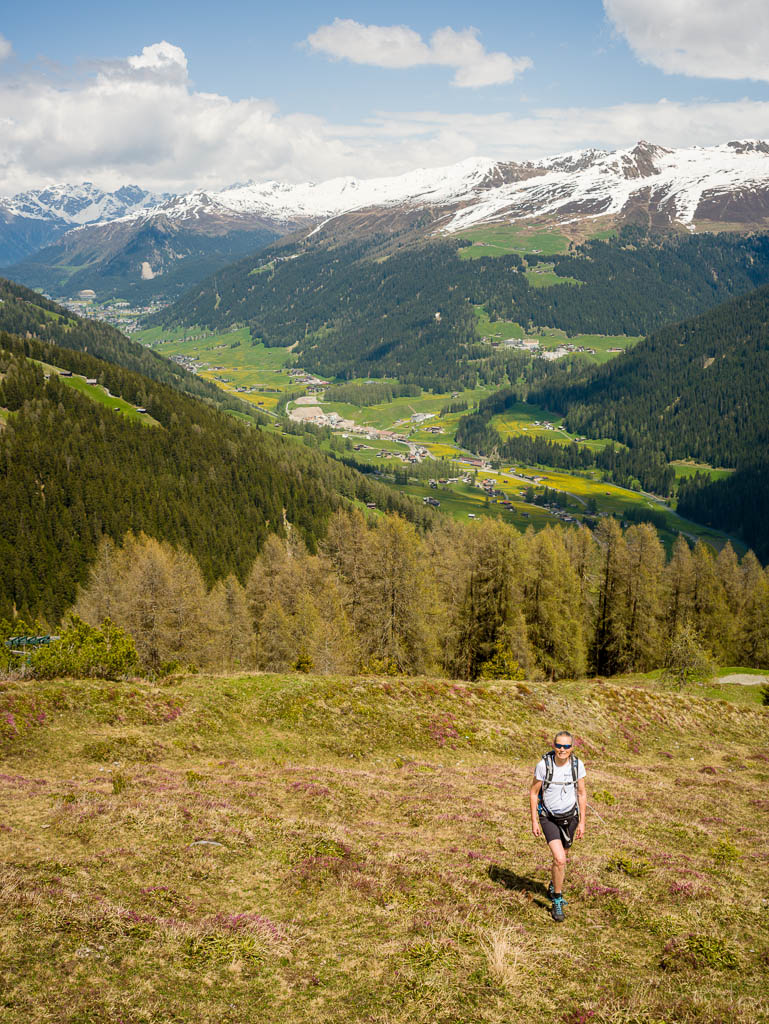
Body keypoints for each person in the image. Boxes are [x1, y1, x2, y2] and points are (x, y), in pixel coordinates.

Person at [529, 731, 587, 922]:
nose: (562, 749)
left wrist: (582, 822)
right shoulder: (543, 765)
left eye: (566, 746)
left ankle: (554, 884)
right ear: (553, 745)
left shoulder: (577, 766)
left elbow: (581, 793)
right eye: (559, 746)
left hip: (571, 818)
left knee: (563, 857)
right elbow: (533, 793)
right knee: (560, 859)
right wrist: (534, 820)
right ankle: (557, 899)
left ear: (572, 748)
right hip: (549, 817)